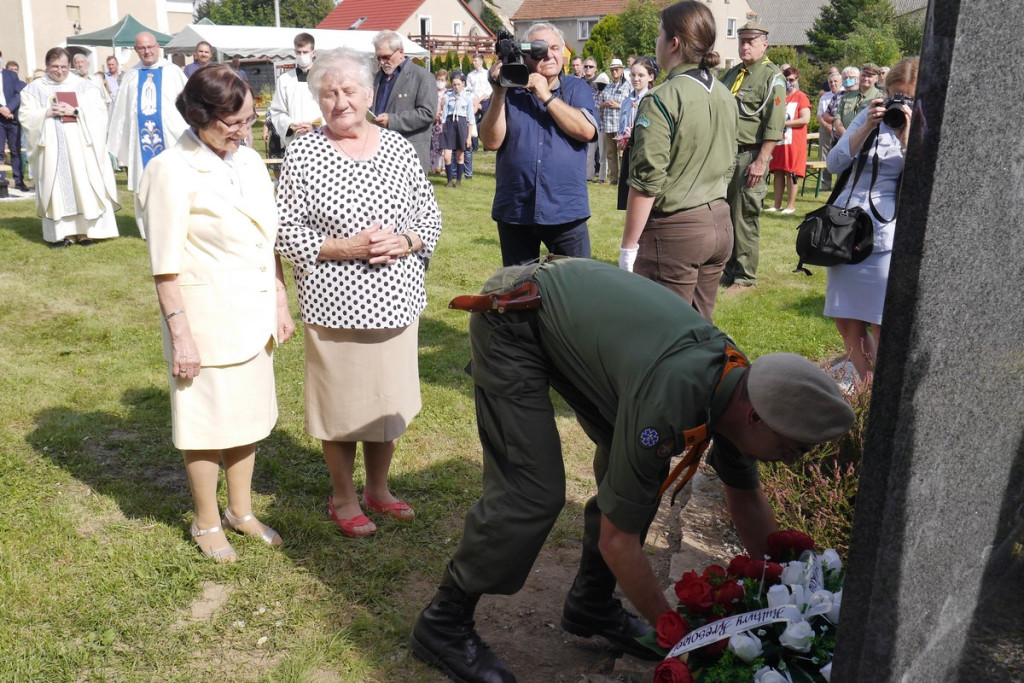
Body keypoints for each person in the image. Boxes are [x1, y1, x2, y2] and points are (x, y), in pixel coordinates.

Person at [410, 257, 856, 683]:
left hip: (573, 320)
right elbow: (617, 540)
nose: (791, 460)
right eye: (793, 449)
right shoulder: (674, 400)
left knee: (637, 485)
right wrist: (682, 637)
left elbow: (745, 495)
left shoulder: (741, 389)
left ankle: (591, 604)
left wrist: (796, 590)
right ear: (758, 417)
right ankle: (444, 621)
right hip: (515, 317)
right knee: (532, 493)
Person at [275, 48, 442, 539]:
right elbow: (284, 231)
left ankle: (378, 489)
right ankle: (344, 496)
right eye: (328, 93)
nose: (340, 101)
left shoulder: (397, 148)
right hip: (334, 303)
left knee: (384, 403)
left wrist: (406, 240)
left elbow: (428, 219)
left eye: (349, 91)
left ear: (370, 95)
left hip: (396, 301)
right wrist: (343, 247)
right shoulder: (304, 152)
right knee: (341, 405)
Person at [139, 65, 294, 563]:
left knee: (247, 417)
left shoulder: (247, 161)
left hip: (252, 317)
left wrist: (279, 298)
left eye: (250, 119)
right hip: (205, 320)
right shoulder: (170, 170)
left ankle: (241, 512)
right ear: (201, 116)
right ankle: (206, 519)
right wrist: (181, 336)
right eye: (234, 122)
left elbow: (264, 237)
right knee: (206, 423)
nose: (244, 131)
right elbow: (164, 267)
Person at [619, 1, 737, 322]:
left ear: (673, 43)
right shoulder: (725, 94)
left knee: (661, 335)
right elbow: (729, 161)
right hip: (720, 222)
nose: (655, 42)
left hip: (677, 232)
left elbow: (646, 182)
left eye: (659, 35)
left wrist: (628, 249)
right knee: (700, 332)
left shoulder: (662, 97)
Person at [824, 57, 917, 382]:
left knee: (880, 323)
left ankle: (883, 394)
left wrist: (907, 134)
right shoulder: (869, 114)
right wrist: (866, 126)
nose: (899, 103)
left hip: (884, 236)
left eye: (908, 97)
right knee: (846, 321)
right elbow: (834, 164)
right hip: (844, 230)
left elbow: (923, 180)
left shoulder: (922, 125)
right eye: (895, 96)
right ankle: (867, 394)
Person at [481, 23, 598, 266]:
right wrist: (499, 91)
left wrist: (546, 95)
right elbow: (491, 141)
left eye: (555, 47)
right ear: (524, 55)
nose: (548, 54)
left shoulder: (576, 87)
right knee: (518, 292)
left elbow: (586, 131)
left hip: (565, 209)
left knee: (575, 285)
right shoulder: (508, 91)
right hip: (516, 208)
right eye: (539, 49)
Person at [20, 47, 120, 247]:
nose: (59, 71)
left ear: (70, 66)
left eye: (64, 67)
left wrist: (76, 110)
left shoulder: (83, 86)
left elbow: (99, 113)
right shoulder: (33, 89)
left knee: (83, 185)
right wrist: (46, 113)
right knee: (56, 189)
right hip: (51, 152)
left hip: (80, 150)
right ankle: (61, 234)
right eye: (55, 67)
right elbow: (25, 116)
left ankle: (86, 233)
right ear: (47, 66)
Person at [719, 21, 785, 293]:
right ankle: (726, 269)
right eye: (741, 40)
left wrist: (761, 160)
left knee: (744, 215)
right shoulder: (733, 73)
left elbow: (774, 124)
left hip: (751, 154)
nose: (744, 45)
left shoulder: (773, 77)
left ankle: (745, 277)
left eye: (751, 41)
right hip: (725, 154)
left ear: (764, 44)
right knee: (722, 213)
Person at [107, 31, 188, 239]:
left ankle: (178, 224)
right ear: (135, 50)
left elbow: (188, 104)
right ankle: (148, 229)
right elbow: (121, 112)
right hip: (139, 142)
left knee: (174, 180)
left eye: (150, 46)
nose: (147, 51)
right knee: (145, 181)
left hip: (171, 139)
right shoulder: (131, 76)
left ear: (157, 46)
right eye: (141, 48)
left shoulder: (173, 72)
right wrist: (119, 142)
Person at [371, 30, 437, 176]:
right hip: (378, 154)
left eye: (386, 57)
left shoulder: (422, 77)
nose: (382, 62)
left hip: (408, 155)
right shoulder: (376, 78)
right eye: (379, 58)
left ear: (400, 52)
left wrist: (391, 120)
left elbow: (427, 113)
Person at [615, 56, 658, 210]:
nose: (636, 79)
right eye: (633, 75)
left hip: (645, 153)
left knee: (643, 195)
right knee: (629, 197)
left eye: (641, 75)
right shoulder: (626, 101)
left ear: (651, 77)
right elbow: (622, 125)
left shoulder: (653, 100)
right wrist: (621, 138)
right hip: (629, 153)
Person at [766, 67, 811, 215]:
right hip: (779, 141)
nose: (788, 83)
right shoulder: (779, 97)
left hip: (794, 141)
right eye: (786, 80)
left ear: (796, 80)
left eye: (791, 80)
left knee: (791, 173)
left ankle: (790, 206)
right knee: (778, 171)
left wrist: (783, 123)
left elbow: (805, 119)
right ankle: (777, 204)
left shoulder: (801, 97)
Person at [268, 33, 321, 153]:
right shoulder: (285, 79)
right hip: (295, 141)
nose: (301, 55)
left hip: (319, 138)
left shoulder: (323, 78)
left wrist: (316, 125)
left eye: (305, 52)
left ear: (313, 53)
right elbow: (277, 110)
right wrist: (289, 125)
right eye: (298, 52)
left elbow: (330, 109)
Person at [597, 58, 630, 186]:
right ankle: (613, 179)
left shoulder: (628, 85)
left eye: (616, 69)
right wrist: (605, 104)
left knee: (622, 154)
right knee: (610, 154)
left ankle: (624, 179)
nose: (614, 72)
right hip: (608, 125)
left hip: (620, 125)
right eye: (612, 70)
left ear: (621, 70)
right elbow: (600, 104)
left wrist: (619, 105)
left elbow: (631, 104)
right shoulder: (608, 86)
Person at [439, 71, 474, 188]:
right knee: (447, 155)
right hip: (449, 125)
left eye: (459, 84)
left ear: (463, 84)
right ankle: (449, 180)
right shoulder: (448, 97)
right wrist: (443, 131)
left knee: (460, 156)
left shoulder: (467, 98)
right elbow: (444, 117)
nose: (456, 87)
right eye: (454, 84)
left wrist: (469, 137)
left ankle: (458, 180)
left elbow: (470, 120)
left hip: (461, 125)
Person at [833, 63, 881, 142]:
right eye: (863, 75)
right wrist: (846, 136)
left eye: (870, 76)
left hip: (866, 142)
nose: (866, 78)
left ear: (876, 79)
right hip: (843, 140)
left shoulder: (880, 97)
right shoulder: (847, 96)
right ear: (859, 76)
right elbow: (837, 118)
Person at [1, 54, 27, 192]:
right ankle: (1, 180)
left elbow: (19, 94)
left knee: (15, 151)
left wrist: (9, 109)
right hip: (0, 118)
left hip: (13, 118)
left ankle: (19, 180)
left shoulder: (12, 77)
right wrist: (2, 109)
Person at [464, 53, 491, 180]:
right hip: (474, 101)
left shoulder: (487, 74)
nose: (474, 62)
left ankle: (486, 144)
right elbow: (469, 89)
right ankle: (474, 145)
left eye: (475, 61)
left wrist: (480, 100)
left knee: (486, 122)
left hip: (485, 100)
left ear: (481, 61)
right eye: (473, 61)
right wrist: (475, 101)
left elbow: (489, 89)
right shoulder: (470, 75)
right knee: (472, 122)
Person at [816, 69, 844, 192]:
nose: (833, 84)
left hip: (841, 127)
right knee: (824, 156)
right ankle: (824, 185)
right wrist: (826, 125)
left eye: (835, 81)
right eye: (831, 82)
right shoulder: (825, 97)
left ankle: (839, 184)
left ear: (841, 82)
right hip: (825, 126)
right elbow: (819, 115)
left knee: (841, 155)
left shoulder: (846, 94)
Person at [430, 69, 449, 176]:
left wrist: (441, 114)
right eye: (438, 79)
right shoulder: (432, 92)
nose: (440, 81)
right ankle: (433, 167)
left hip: (443, 122)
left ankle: (443, 167)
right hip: (433, 122)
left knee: (443, 145)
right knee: (433, 146)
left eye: (442, 80)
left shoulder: (448, 93)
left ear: (446, 81)